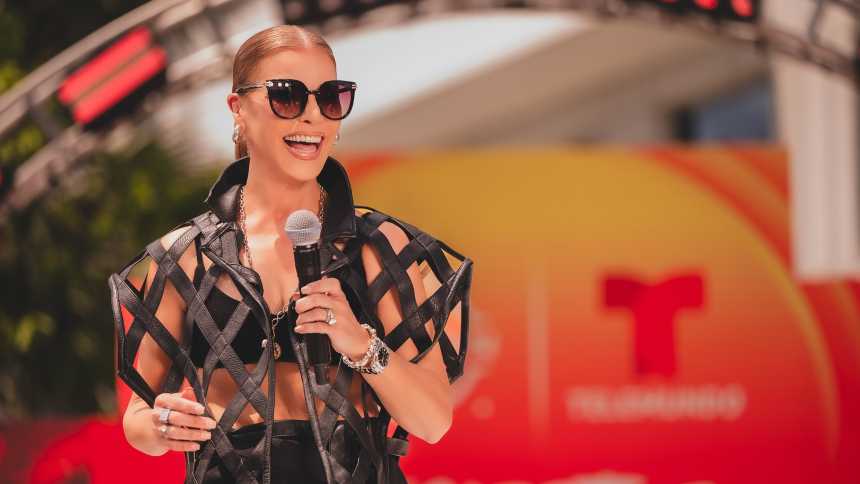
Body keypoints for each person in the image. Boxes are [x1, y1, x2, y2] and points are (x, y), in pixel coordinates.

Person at [108, 25, 473, 484]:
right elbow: (138, 419)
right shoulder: (185, 255)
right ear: (238, 109)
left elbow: (433, 421)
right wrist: (162, 426)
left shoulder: (379, 246)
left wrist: (362, 346)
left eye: (331, 98)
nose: (312, 116)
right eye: (287, 96)